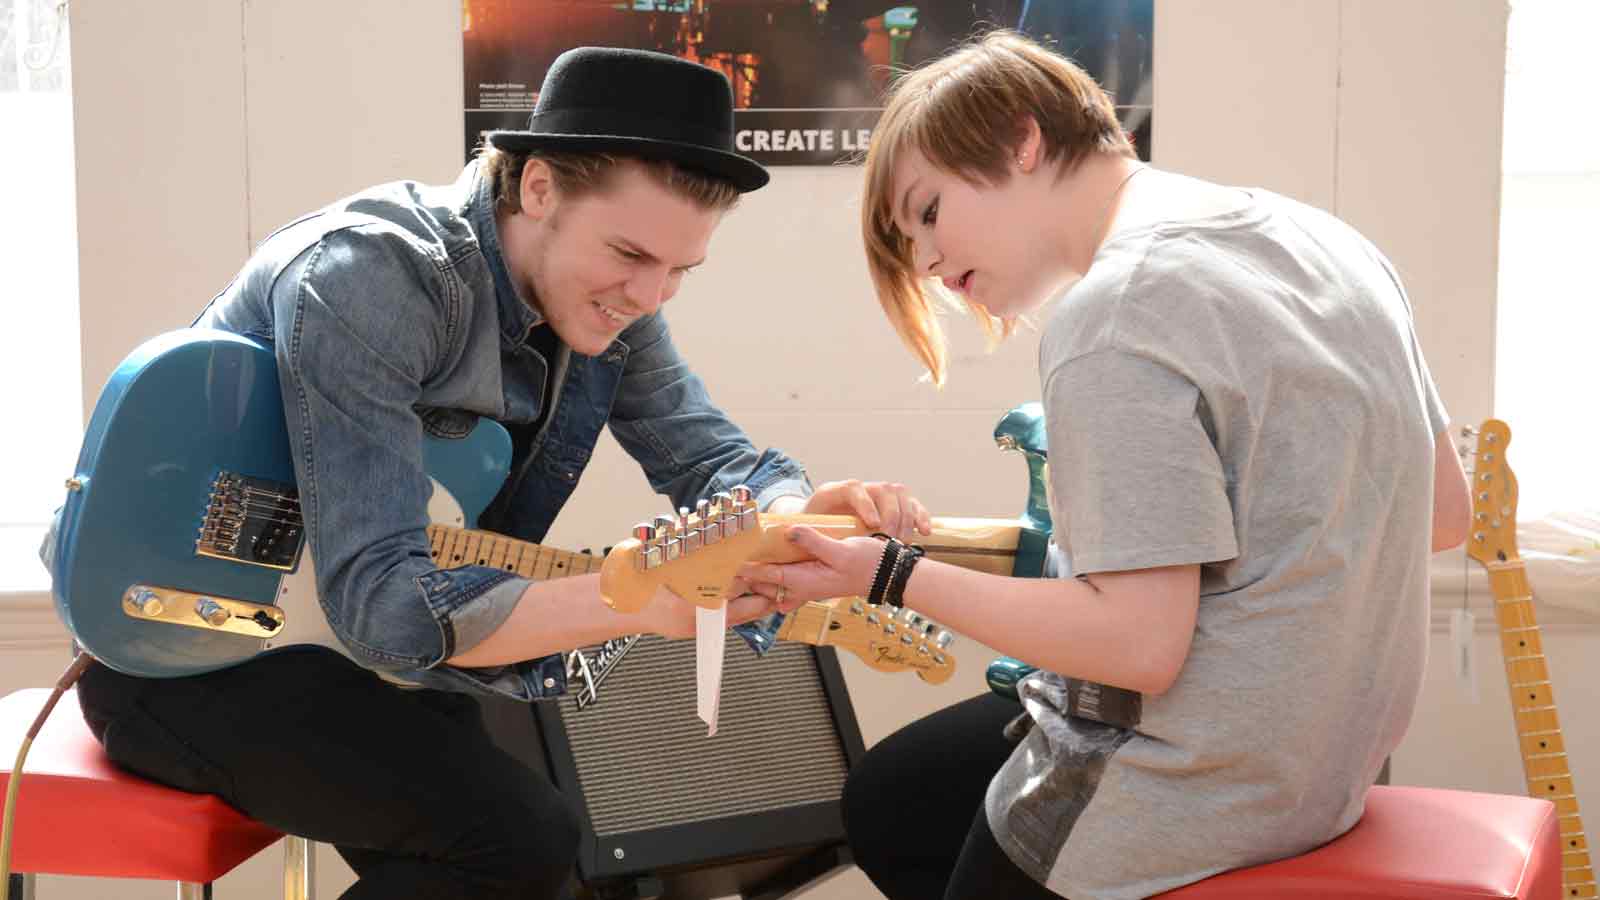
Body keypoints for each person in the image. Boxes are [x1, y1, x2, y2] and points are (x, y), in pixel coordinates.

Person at [59, 47, 929, 900]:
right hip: (180, 658)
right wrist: (641, 600)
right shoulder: (368, 278)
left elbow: (713, 458)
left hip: (361, 655)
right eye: (629, 255)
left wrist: (795, 515)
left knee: (588, 854)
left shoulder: (616, 307)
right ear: (540, 186)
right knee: (516, 840)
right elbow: (385, 613)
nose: (650, 295)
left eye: (679, 272)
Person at [740, 30, 1473, 900]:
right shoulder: (1331, 243)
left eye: (930, 211)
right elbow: (1444, 514)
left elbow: (1137, 646)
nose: (931, 265)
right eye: (912, 244)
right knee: (898, 799)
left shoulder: (1114, 315)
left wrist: (886, 573)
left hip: (1194, 787)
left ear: (1022, 138)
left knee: (912, 817)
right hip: (1336, 767)